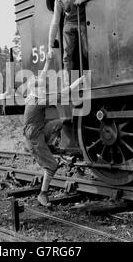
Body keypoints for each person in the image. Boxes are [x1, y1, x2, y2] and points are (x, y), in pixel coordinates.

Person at [23, 51, 86, 207]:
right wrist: (78, 82)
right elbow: (64, 93)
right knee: (52, 166)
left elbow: (42, 75)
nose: (45, 88)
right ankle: (42, 194)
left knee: (60, 122)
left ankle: (50, 145)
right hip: (34, 139)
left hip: (39, 130)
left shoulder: (33, 94)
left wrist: (48, 61)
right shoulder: (39, 101)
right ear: (37, 90)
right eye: (43, 87)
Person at [47, 0, 91, 85]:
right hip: (69, 22)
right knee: (66, 55)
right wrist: (50, 44)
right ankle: (68, 83)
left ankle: (92, 76)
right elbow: (55, 22)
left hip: (82, 20)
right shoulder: (58, 2)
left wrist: (82, 0)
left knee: (87, 50)